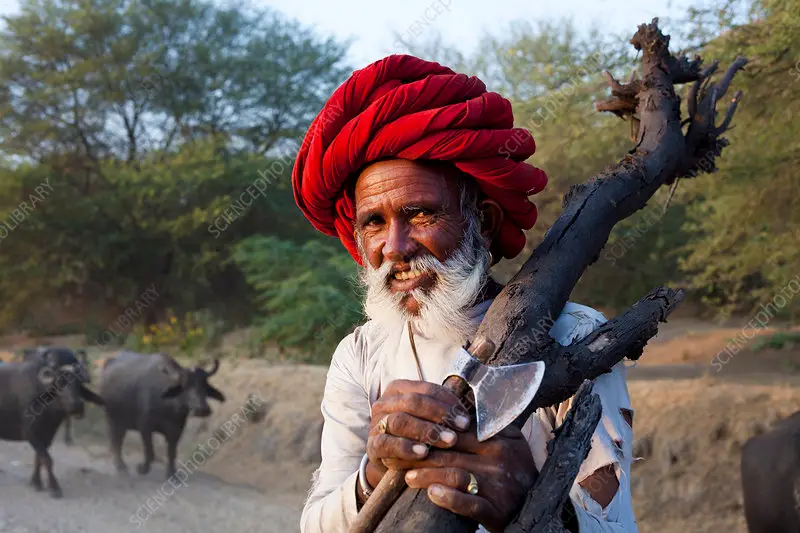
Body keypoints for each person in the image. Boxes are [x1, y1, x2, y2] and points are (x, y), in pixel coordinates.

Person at [293, 54, 639, 533]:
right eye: (374, 222)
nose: (394, 248)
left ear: (485, 222)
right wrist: (373, 471)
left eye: (420, 215)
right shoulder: (360, 354)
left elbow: (613, 525)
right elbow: (315, 524)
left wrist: (524, 503)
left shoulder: (575, 334)